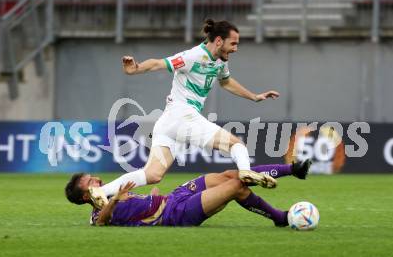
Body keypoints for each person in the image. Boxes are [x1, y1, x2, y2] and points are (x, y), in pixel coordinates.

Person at [118, 19, 281, 201]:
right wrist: (136, 68)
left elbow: (225, 81)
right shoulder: (192, 56)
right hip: (182, 115)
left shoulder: (220, 60)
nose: (236, 48)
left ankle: (100, 192)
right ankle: (245, 172)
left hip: (169, 121)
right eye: (233, 43)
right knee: (236, 145)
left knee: (152, 174)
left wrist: (254, 96)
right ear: (219, 41)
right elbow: (158, 63)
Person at [64, 160, 311, 227]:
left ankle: (293, 169)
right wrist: (115, 200)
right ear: (86, 196)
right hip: (177, 214)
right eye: (89, 182)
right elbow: (103, 222)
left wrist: (153, 195)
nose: (95, 179)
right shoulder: (97, 215)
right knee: (237, 187)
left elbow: (140, 206)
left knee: (229, 175)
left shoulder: (111, 193)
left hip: (173, 197)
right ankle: (279, 217)